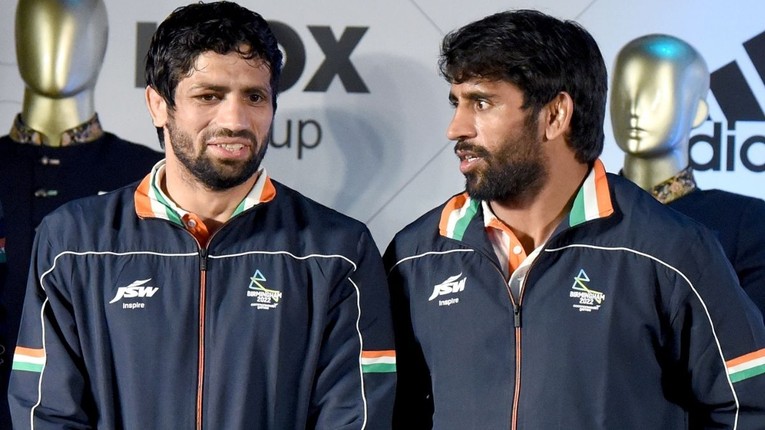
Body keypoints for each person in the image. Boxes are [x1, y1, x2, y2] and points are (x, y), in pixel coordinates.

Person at [8, 2, 396, 429]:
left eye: (254, 97)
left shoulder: (338, 250)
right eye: (209, 96)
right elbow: (48, 413)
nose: (235, 120)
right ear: (158, 105)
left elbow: (353, 417)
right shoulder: (73, 241)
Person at [384, 9, 765, 429]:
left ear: (555, 115)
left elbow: (747, 408)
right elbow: (388, 412)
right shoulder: (415, 256)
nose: (456, 128)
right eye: (457, 103)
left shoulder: (670, 251)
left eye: (482, 103)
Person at [0, 0, 162, 426]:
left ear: (102, 42)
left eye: (74, 30)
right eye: (39, 29)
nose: (56, 47)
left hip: (107, 408)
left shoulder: (149, 175)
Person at [611, 34, 765, 316]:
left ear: (697, 112)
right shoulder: (576, 216)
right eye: (624, 93)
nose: (634, 109)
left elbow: (750, 334)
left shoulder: (746, 223)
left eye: (654, 96)